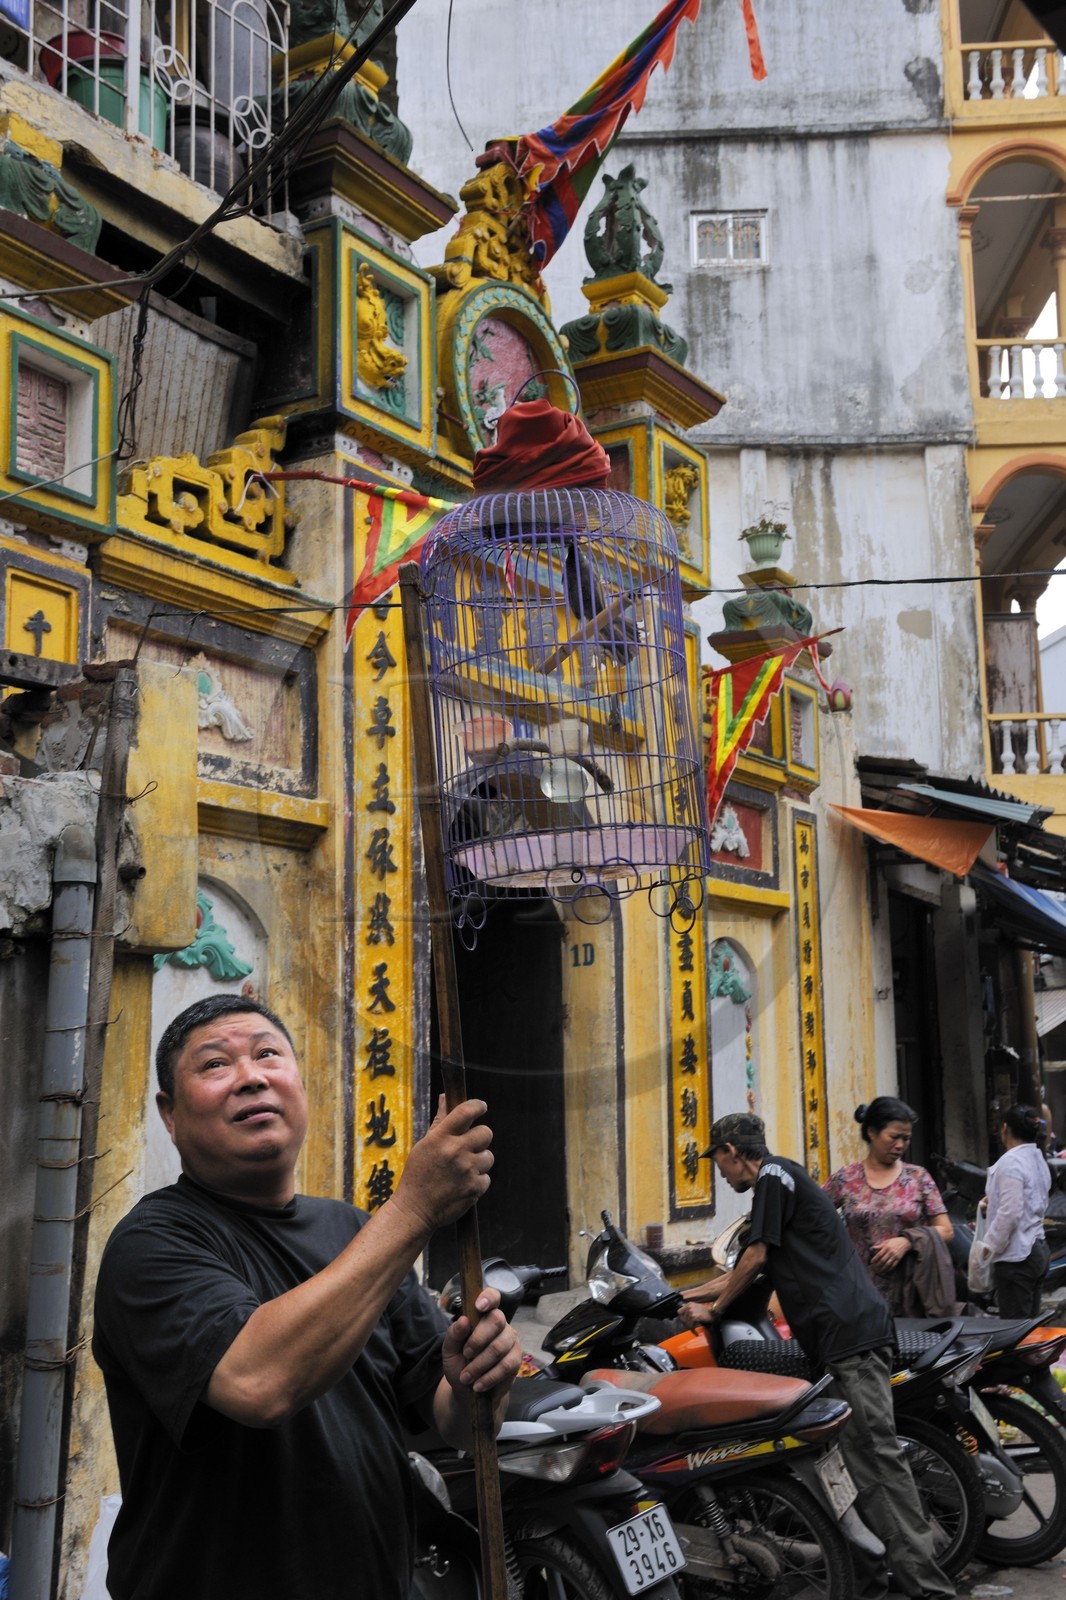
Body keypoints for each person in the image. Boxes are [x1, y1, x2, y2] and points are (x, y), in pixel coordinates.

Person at [92, 994, 522, 1600]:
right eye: (215, 1065)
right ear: (169, 1112)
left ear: (299, 1084)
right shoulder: (151, 1244)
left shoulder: (353, 1232)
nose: (251, 1076)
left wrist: (485, 1380)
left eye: (269, 1054)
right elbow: (258, 1382)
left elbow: (452, 1420)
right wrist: (416, 1208)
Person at [679, 1112, 954, 1600]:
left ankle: (929, 1589)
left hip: (851, 1337)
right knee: (851, 1464)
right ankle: (870, 1581)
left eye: (718, 1161)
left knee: (877, 1463)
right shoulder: (781, 1184)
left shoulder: (773, 1176)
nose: (719, 1173)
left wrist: (713, 1309)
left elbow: (756, 1257)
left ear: (731, 1151)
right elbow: (743, 1270)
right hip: (839, 1338)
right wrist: (676, 1300)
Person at [822, 1097, 954, 1314]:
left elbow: (947, 1231)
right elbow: (812, 1214)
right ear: (872, 1132)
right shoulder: (846, 1178)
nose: (900, 1145)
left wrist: (906, 1241)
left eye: (906, 1138)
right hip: (858, 1292)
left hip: (910, 1293)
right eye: (894, 1137)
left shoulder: (918, 1177)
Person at [970, 1103, 1051, 1318]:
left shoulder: (1010, 1162)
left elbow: (1011, 1213)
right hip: (1037, 1247)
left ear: (1004, 1128)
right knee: (1029, 1331)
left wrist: (989, 1247)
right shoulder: (1036, 1158)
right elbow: (1031, 1199)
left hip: (1018, 1256)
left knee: (1016, 1332)